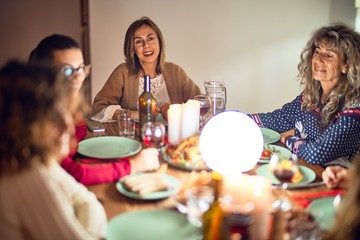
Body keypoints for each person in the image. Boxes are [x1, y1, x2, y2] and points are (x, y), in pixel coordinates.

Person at [29, 34, 159, 185]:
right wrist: (132, 166)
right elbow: (74, 174)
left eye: (81, 69)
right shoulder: (42, 119)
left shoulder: (63, 107)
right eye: (68, 70)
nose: (78, 77)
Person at [0, 61, 107, 239]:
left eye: (65, 111)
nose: (68, 125)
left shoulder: (37, 160)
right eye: (53, 116)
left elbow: (87, 201)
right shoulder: (29, 177)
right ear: (22, 125)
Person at [249, 23, 360, 167]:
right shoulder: (311, 95)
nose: (318, 60)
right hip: (304, 170)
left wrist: (289, 139)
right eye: (317, 52)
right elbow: (279, 119)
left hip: (332, 183)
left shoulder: (354, 109)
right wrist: (239, 119)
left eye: (329, 55)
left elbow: (317, 154)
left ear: (346, 65)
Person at [91, 16, 201, 122]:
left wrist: (177, 111)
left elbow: (200, 103)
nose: (146, 45)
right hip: (133, 139)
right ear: (132, 49)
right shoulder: (122, 72)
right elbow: (97, 108)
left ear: (159, 42)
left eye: (150, 38)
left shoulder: (175, 71)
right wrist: (131, 114)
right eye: (139, 41)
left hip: (171, 138)